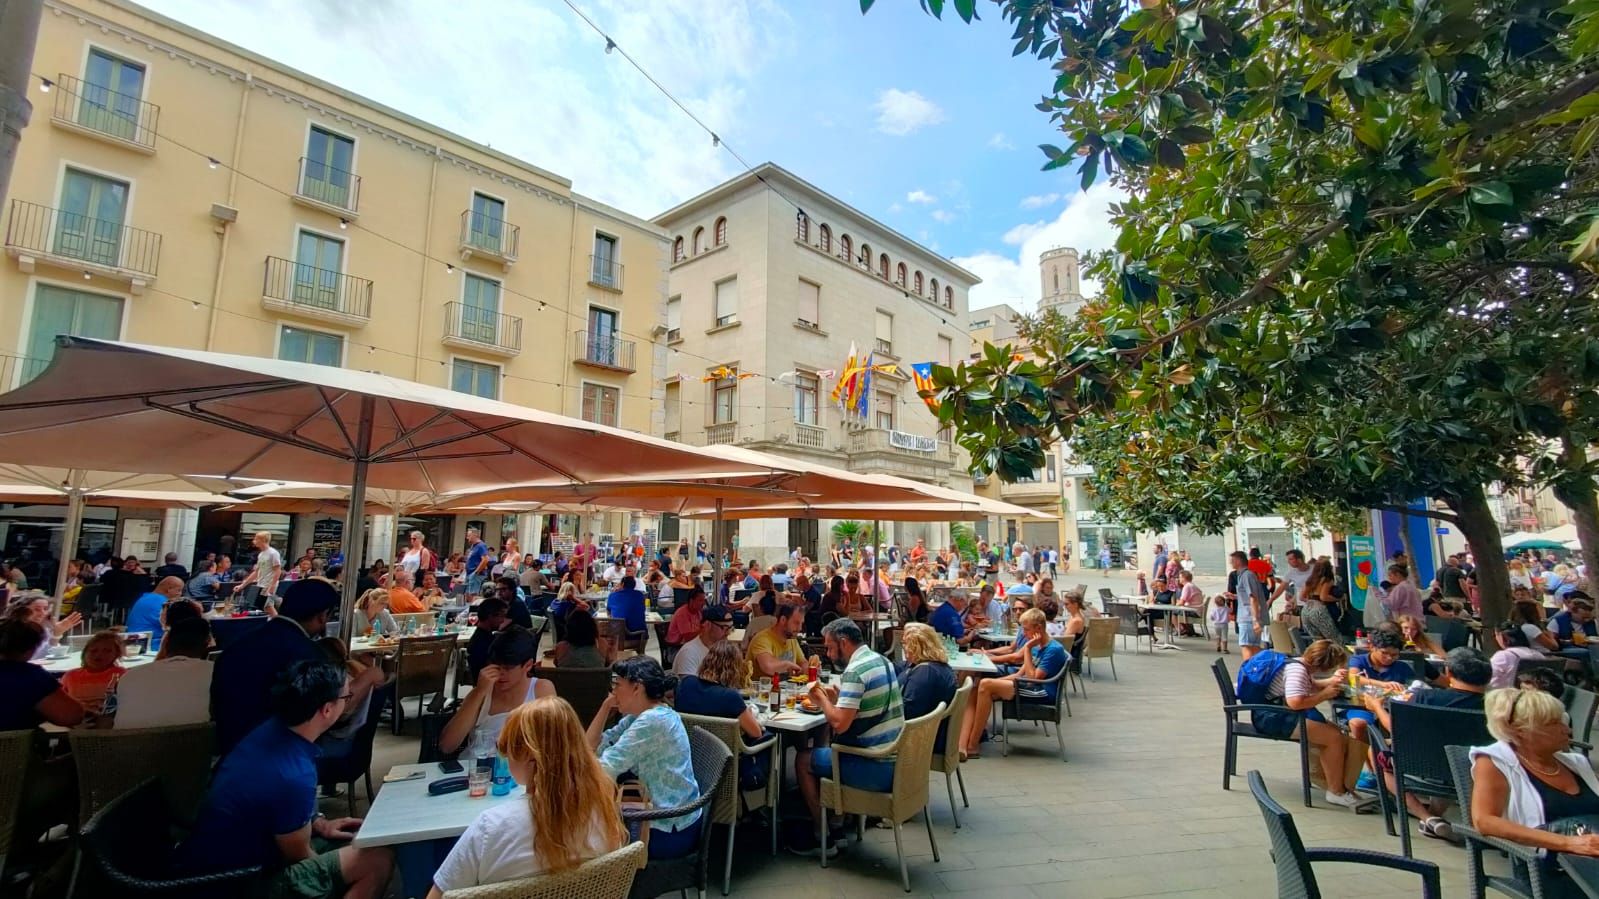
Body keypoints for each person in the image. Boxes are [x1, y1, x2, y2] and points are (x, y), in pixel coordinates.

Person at [179, 660, 393, 899]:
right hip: (240, 883)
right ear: (327, 710)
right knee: (378, 858)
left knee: (361, 845)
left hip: (210, 862)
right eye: (346, 697)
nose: (348, 702)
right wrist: (335, 872)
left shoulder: (272, 730)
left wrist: (318, 822)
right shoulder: (294, 774)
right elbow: (300, 855)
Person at [427, 698, 625, 896]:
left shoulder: (490, 827)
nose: (505, 756)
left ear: (530, 756)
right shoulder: (604, 814)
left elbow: (438, 895)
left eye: (507, 749)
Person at [793, 618, 903, 857]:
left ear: (844, 643)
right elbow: (865, 705)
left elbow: (840, 725)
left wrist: (821, 698)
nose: (829, 655)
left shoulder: (855, 671)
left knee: (803, 760)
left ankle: (821, 833)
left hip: (873, 768)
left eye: (831, 648)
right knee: (828, 748)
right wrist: (841, 697)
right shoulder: (881, 661)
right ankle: (837, 826)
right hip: (894, 760)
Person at [1469, 685, 1599, 885]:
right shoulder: (1494, 762)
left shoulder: (1575, 764)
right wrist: (1569, 843)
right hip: (1551, 870)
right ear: (1521, 732)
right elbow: (1484, 821)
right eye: (1554, 723)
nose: (1567, 729)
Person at [1358, 648, 1492, 839]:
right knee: (1448, 749)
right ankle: (1435, 818)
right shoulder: (1499, 705)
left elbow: (1396, 728)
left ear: (1449, 673)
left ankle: (1427, 816)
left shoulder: (1423, 697)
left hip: (1424, 766)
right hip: (1475, 771)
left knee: (1376, 750)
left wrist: (1377, 707)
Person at [586, 657, 702, 859]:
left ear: (637, 688)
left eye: (617, 685)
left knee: (585, 840)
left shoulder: (653, 721)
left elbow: (604, 769)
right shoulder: (639, 715)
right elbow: (590, 747)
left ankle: (606, 889)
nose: (613, 692)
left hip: (667, 826)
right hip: (661, 815)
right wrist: (606, 707)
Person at [212, 579, 337, 756]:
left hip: (228, 750)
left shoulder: (240, 643)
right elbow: (318, 714)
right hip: (279, 755)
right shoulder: (308, 655)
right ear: (323, 615)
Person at [1245, 639, 1364, 808]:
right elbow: (1295, 702)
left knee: (1337, 733)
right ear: (1323, 666)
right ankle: (1335, 791)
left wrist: (1330, 682)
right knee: (1334, 738)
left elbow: (1309, 685)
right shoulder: (1297, 672)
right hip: (1275, 719)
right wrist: (1325, 694)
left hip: (1273, 713)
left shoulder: (1298, 663)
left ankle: (1333, 782)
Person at [958, 609, 1067, 759]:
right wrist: (996, 682)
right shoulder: (1038, 645)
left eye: (1026, 629)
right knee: (975, 688)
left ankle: (973, 745)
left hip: (1041, 691)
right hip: (1026, 684)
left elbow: (1033, 680)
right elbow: (1018, 675)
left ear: (1039, 628)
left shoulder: (1052, 649)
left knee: (985, 684)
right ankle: (962, 744)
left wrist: (1028, 649)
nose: (1023, 633)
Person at [441, 627, 554, 759]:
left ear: (528, 665)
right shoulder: (482, 693)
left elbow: (551, 744)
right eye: (496, 666)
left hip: (519, 770)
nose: (500, 674)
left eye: (508, 668)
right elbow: (447, 746)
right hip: (477, 770)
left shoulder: (541, 689)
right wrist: (479, 692)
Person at [674, 640, 769, 787]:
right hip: (726, 762)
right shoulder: (730, 697)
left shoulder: (686, 685)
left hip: (691, 756)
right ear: (735, 668)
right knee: (769, 737)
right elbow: (756, 733)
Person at [109, 616, 213, 728]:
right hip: (196, 743)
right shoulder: (216, 673)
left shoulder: (129, 676)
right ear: (208, 642)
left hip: (127, 743)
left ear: (166, 642)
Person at [898, 623, 956, 755]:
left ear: (916, 646)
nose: (904, 648)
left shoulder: (925, 673)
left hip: (921, 741)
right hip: (934, 733)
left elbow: (908, 712)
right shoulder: (939, 666)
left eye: (905, 644)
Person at [60, 630, 125, 716]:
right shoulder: (70, 676)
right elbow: (61, 701)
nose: (99, 654)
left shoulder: (120, 674)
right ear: (84, 654)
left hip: (108, 718)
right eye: (93, 650)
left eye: (107, 651)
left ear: (117, 654)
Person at [1227, 552, 1268, 660]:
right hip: (1248, 615)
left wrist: (1255, 619)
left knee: (1247, 645)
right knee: (1252, 646)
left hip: (1248, 616)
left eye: (1232, 561)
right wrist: (1235, 596)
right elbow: (1248, 596)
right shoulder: (1245, 575)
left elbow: (1253, 597)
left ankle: (1249, 669)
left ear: (1238, 561)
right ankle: (1259, 666)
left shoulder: (1247, 575)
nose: (1230, 563)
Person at [126, 575, 184, 652]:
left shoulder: (144, 598)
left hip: (133, 642)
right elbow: (177, 625)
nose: (180, 594)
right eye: (179, 590)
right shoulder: (161, 602)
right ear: (169, 589)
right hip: (150, 646)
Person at [671, 605, 732, 677]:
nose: (728, 633)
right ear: (707, 625)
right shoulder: (689, 653)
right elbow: (688, 686)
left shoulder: (722, 649)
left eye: (731, 628)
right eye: (724, 628)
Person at [749, 602, 806, 676]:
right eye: (796, 623)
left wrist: (810, 668)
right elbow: (768, 667)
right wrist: (788, 665)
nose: (800, 628)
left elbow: (803, 663)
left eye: (801, 623)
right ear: (783, 620)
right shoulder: (762, 639)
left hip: (787, 687)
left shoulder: (792, 638)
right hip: (761, 687)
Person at [1491, 621, 1551, 689]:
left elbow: (1490, 682)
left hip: (1508, 697)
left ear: (1503, 638)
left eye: (1495, 635)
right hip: (1537, 697)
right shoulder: (1538, 655)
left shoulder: (1502, 656)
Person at [236, 530, 285, 601]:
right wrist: (242, 585)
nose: (254, 541)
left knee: (266, 605)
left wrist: (272, 586)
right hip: (261, 584)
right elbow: (256, 572)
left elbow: (278, 570)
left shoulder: (273, 553)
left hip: (268, 584)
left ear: (263, 540)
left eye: (256, 539)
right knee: (266, 607)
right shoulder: (261, 554)